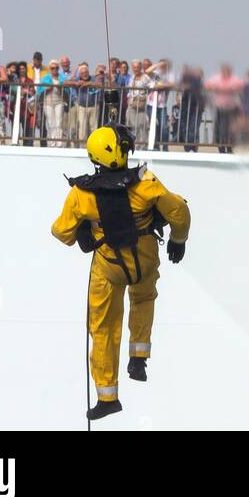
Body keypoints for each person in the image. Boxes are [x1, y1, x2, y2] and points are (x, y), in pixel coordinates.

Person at [51, 124, 190, 421]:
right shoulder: (146, 183)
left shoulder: (81, 194)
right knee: (143, 299)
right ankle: (138, 358)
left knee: (103, 329)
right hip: (145, 258)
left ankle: (108, 397)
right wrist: (179, 240)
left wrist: (83, 233)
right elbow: (179, 211)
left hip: (109, 266)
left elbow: (61, 231)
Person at [205, 64, 244, 153]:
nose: (225, 73)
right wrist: (216, 88)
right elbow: (207, 85)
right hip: (220, 108)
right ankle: (221, 147)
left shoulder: (234, 78)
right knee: (220, 129)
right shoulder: (217, 78)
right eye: (224, 71)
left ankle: (230, 147)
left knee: (231, 129)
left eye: (227, 71)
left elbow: (242, 85)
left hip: (232, 108)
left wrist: (232, 89)